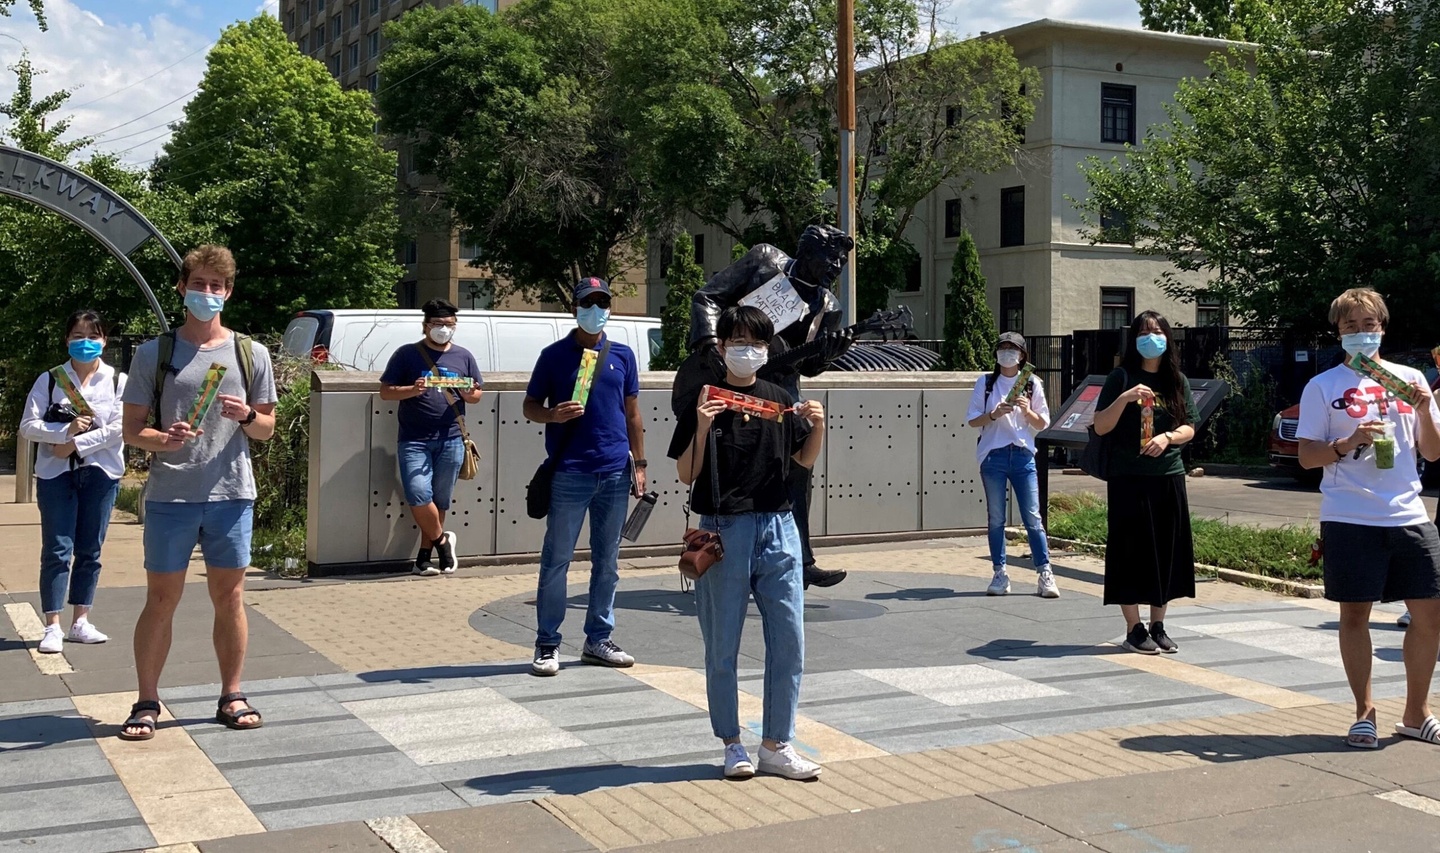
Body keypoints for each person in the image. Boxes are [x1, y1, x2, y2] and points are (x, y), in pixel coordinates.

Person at [118, 244, 278, 741]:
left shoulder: (251, 354)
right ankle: (147, 700)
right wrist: (163, 439)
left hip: (231, 494)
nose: (207, 293)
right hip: (171, 495)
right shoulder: (155, 353)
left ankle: (232, 693)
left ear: (228, 292)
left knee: (229, 598)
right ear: (182, 289)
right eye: (199, 284)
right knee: (161, 599)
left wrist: (248, 416)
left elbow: (267, 428)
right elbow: (131, 430)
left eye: (217, 285)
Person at [669, 305, 827, 781]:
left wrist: (818, 426)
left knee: (789, 640)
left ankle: (777, 744)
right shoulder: (706, 398)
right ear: (720, 347)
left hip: (779, 526)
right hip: (724, 529)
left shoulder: (778, 397)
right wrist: (700, 424)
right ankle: (731, 742)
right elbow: (684, 474)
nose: (747, 350)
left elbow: (801, 462)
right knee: (723, 642)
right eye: (737, 341)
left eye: (756, 342)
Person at [1296, 288, 1440, 749]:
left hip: (1408, 513)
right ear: (1338, 333)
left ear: (1383, 327)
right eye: (1350, 327)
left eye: (1368, 324)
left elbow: (1433, 452)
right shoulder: (1324, 386)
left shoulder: (1409, 379)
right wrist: (1349, 440)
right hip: (1349, 516)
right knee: (1354, 615)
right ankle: (1364, 713)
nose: (1360, 333)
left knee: (1429, 616)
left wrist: (1424, 410)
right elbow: (1306, 457)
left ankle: (1416, 713)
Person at [680, 224, 857, 590]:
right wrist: (713, 346)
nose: (836, 266)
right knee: (726, 462)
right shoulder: (764, 260)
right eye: (831, 256)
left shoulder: (829, 307)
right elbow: (707, 298)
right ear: (806, 251)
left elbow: (808, 365)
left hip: (780, 391)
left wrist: (829, 354)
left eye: (842, 260)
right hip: (729, 377)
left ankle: (801, 558)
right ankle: (720, 552)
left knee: (798, 467)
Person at [523, 277, 645, 676]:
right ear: (574, 308)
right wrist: (551, 414)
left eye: (602, 302)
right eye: (587, 303)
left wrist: (639, 464)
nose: (596, 310)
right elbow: (530, 406)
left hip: (613, 471)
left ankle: (598, 638)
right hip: (569, 473)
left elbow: (632, 413)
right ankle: (547, 643)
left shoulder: (622, 355)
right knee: (557, 559)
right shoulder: (554, 356)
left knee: (608, 561)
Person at [19, 310, 126, 653]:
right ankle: (52, 624)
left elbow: (119, 428)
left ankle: (81, 619)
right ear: (67, 340)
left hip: (101, 472)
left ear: (104, 341)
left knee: (90, 550)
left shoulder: (116, 381)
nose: (85, 343)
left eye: (93, 336)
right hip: (55, 474)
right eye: (78, 336)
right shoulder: (49, 380)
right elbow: (28, 425)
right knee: (56, 549)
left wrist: (74, 444)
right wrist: (62, 431)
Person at [1092, 311, 1198, 655]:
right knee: (1129, 550)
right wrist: (1124, 399)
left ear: (1167, 338)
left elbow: (1190, 426)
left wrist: (1167, 437)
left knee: (1166, 552)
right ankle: (1133, 628)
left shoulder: (1175, 380)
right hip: (1128, 478)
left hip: (1168, 476)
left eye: (1157, 332)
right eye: (1144, 332)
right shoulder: (1121, 377)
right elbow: (1101, 426)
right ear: (1133, 339)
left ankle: (1158, 624)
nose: (1151, 338)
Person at [378, 299, 484, 576]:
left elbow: (476, 395)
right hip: (414, 439)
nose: (443, 329)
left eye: (449, 325)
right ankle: (443, 543)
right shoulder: (407, 354)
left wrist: (467, 392)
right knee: (418, 494)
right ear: (425, 326)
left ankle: (424, 558)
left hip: (451, 437)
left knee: (440, 499)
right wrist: (412, 390)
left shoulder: (464, 356)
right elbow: (386, 392)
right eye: (438, 324)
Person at [966, 332, 1058, 598]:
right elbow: (973, 420)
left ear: (1022, 355)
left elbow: (1042, 423)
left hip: (1022, 455)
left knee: (1032, 516)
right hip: (993, 456)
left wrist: (1027, 411)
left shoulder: (1031, 383)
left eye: (1012, 349)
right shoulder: (985, 383)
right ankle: (999, 572)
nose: (1007, 353)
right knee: (996, 518)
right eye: (1003, 348)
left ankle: (1044, 572)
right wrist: (994, 414)